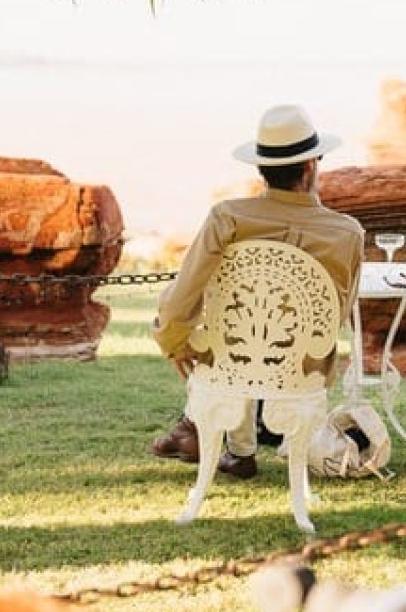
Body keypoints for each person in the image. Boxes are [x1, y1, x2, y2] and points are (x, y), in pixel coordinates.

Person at [150, 104, 364, 479]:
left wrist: (173, 340)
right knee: (253, 334)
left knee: (219, 328)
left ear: (260, 168)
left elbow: (185, 293)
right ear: (312, 165)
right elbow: (337, 313)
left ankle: (231, 445)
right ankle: (217, 439)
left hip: (230, 361)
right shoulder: (346, 232)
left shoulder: (228, 218)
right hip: (303, 369)